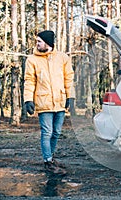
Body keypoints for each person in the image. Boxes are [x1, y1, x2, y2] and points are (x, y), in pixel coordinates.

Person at [24, 30, 74, 175]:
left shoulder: (63, 58)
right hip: (43, 101)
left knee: (56, 132)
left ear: (48, 43)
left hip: (60, 101)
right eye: (37, 41)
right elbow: (29, 81)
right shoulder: (32, 60)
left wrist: (70, 97)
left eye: (39, 41)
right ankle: (47, 161)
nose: (37, 44)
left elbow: (68, 79)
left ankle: (50, 158)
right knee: (47, 132)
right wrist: (28, 99)